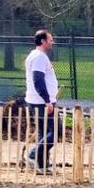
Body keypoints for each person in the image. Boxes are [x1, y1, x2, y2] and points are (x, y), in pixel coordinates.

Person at [23, 29, 58, 173]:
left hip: (37, 100)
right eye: (50, 39)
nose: (52, 42)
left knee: (43, 133)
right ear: (43, 41)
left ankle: (42, 165)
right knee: (55, 132)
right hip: (41, 101)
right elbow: (38, 80)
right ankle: (32, 155)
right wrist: (47, 100)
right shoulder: (39, 57)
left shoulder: (35, 55)